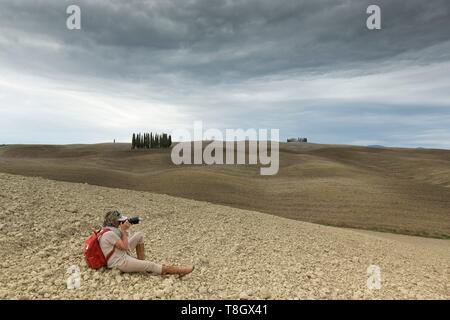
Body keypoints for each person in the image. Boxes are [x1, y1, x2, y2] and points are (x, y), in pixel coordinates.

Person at [98, 210, 194, 275]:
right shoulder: (109, 234)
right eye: (120, 221)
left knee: (139, 235)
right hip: (119, 262)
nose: (121, 223)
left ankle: (141, 263)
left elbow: (123, 245)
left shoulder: (110, 230)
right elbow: (125, 246)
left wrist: (124, 230)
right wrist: (123, 230)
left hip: (120, 254)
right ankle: (180, 270)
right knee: (151, 265)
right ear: (114, 222)